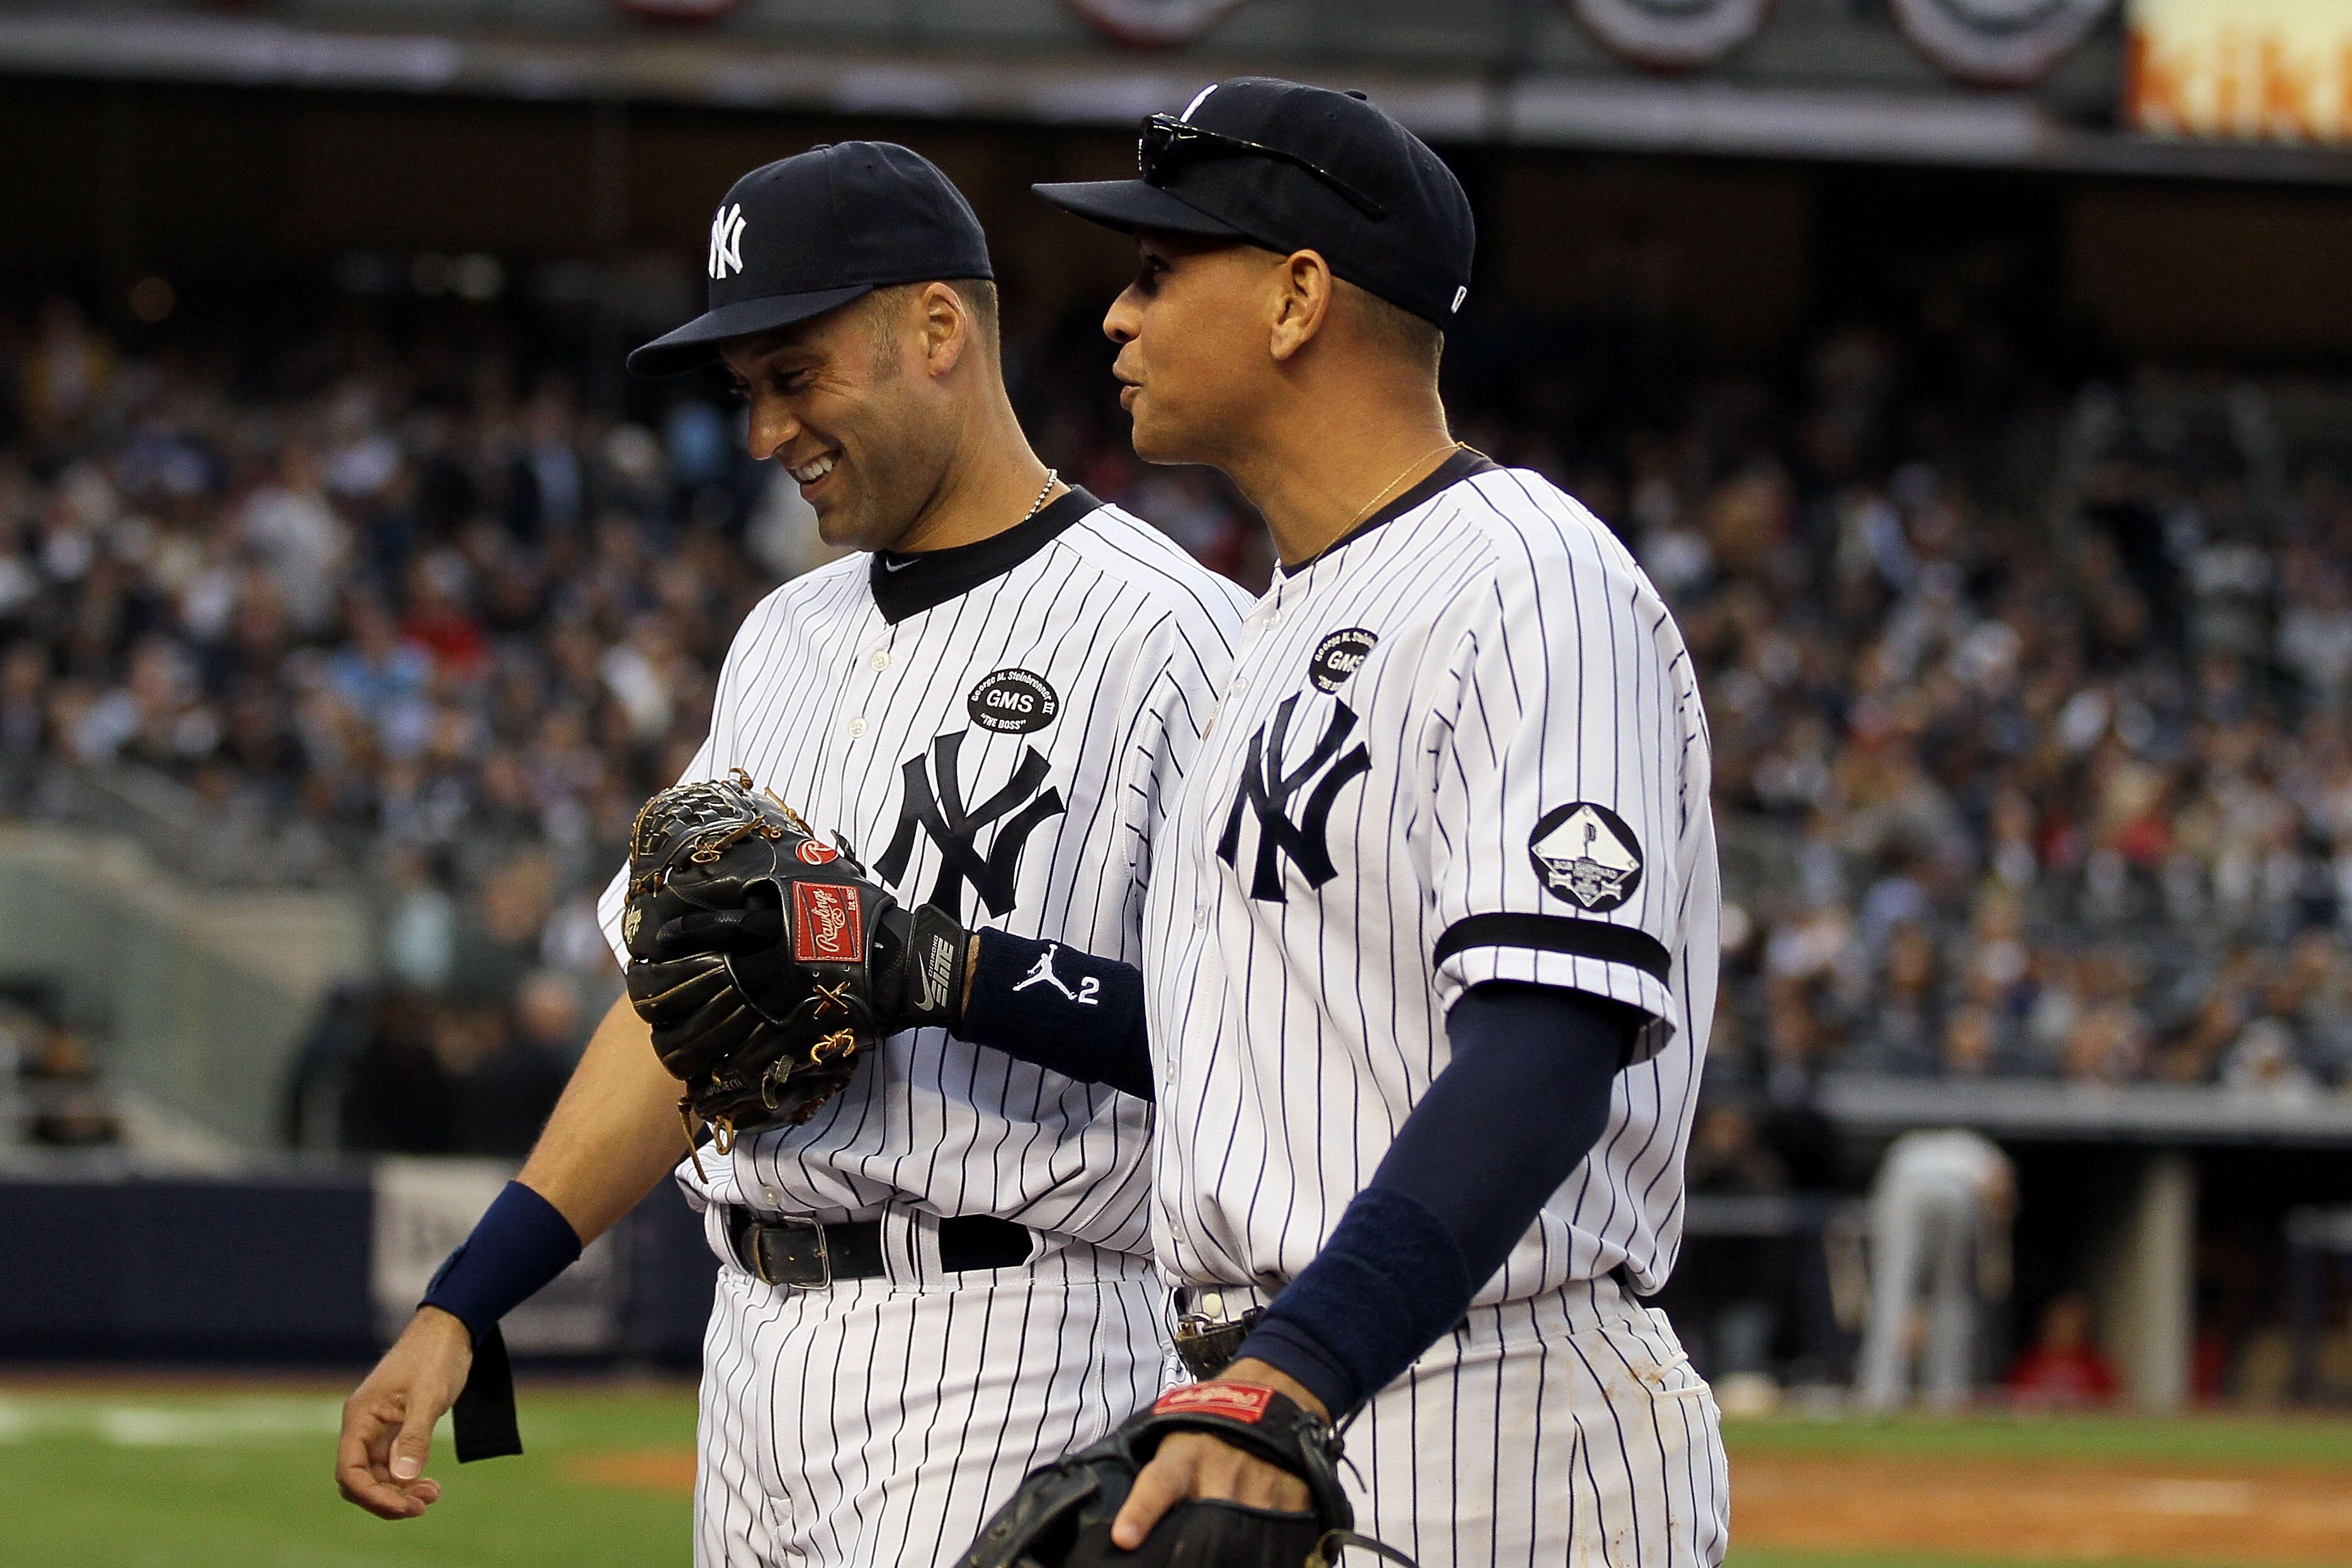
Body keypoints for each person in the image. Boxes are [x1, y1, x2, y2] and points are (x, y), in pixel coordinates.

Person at [713, 79, 1731, 1564]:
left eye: (1154, 271)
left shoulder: (1526, 578)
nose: (1114, 319)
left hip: (1482, 1400)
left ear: (1295, 298)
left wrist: (1291, 1367)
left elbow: (1543, 1046)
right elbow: (1195, 1051)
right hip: (1273, 1389)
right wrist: (933, 963)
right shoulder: (1266, 626)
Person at [334, 142, 1250, 1568]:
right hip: (752, 1344)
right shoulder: (782, 636)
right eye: (746, 391)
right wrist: (469, 1293)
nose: (764, 432)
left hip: (1014, 1334)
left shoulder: (1174, 636)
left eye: (796, 374)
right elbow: (679, 1009)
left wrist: (936, 968)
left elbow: (1256, 1042)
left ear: (936, 329)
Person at [1855, 1127, 2015, 1411]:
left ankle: (1880, 1394)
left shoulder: (1910, 1146)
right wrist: (1994, 1249)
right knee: (1951, 1298)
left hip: (1908, 1190)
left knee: (1893, 1294)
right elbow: (1998, 1193)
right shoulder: (1979, 1149)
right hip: (1955, 1193)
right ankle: (1948, 1394)